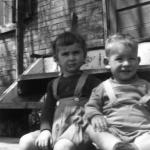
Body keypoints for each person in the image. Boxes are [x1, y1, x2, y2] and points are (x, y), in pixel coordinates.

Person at [19, 31, 100, 150]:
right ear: (56, 59)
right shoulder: (53, 84)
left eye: (76, 52)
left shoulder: (92, 82)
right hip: (56, 129)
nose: (71, 58)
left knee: (61, 147)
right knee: (25, 141)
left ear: (84, 56)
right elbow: (48, 110)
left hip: (80, 131)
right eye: (65, 54)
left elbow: (103, 105)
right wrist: (45, 130)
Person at [85, 33, 150, 150]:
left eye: (131, 58)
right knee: (90, 129)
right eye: (119, 59)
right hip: (113, 133)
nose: (126, 63)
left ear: (138, 61)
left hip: (143, 132)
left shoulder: (145, 86)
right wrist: (95, 116)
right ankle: (116, 146)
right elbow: (91, 107)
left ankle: (134, 147)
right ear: (107, 63)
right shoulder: (102, 88)